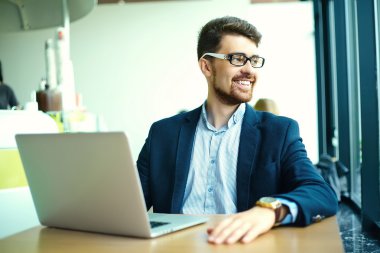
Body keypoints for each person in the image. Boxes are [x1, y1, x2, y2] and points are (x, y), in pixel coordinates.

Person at [137, 16, 338, 245]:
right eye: (238, 59)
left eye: (253, 60)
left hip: (245, 247)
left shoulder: (280, 132)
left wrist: (268, 211)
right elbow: (127, 206)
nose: (249, 70)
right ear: (206, 66)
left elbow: (321, 194)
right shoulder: (163, 134)